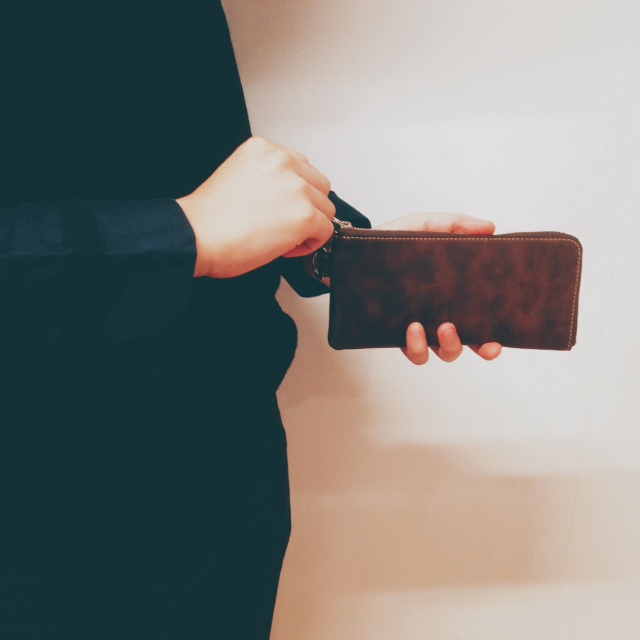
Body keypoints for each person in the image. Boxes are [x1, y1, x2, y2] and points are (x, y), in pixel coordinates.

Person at [0, 1, 501, 638]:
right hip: (49, 516)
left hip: (234, 469)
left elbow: (162, 144)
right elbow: (193, 215)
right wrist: (180, 232)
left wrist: (347, 253)